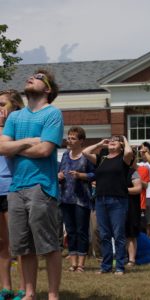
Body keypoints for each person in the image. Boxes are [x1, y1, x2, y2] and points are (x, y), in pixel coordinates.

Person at [0, 70, 64, 300]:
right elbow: (1, 147)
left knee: (47, 244)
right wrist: (30, 141)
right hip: (16, 188)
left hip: (42, 186)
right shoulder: (15, 117)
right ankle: (29, 293)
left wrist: (16, 146)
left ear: (48, 89)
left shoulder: (53, 114)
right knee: (22, 246)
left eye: (37, 77)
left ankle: (53, 295)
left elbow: (45, 150)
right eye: (29, 76)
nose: (30, 78)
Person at [82, 135, 133, 275]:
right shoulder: (101, 159)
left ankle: (120, 266)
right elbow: (85, 152)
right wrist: (99, 144)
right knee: (104, 234)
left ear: (121, 145)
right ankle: (106, 266)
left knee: (118, 235)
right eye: (110, 140)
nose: (111, 142)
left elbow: (129, 152)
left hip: (118, 201)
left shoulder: (123, 159)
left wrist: (124, 139)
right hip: (100, 200)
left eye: (115, 141)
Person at [58, 126, 95, 272]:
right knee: (71, 231)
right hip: (66, 199)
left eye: (73, 138)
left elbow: (95, 174)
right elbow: (60, 171)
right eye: (68, 137)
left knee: (81, 231)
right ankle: (73, 263)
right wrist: (59, 175)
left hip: (82, 200)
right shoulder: (65, 155)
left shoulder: (86, 157)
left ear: (81, 141)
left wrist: (81, 176)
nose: (69, 140)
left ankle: (81, 264)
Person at [0, 90, 25, 300]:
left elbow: (7, 149)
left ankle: (24, 288)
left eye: (2, 104)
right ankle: (6, 287)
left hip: (12, 188)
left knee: (17, 242)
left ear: (14, 106)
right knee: (2, 242)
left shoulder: (18, 128)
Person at [125, 157, 142, 267]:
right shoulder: (114, 172)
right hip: (115, 207)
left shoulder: (132, 172)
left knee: (130, 234)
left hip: (131, 207)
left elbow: (138, 189)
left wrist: (121, 190)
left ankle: (131, 259)